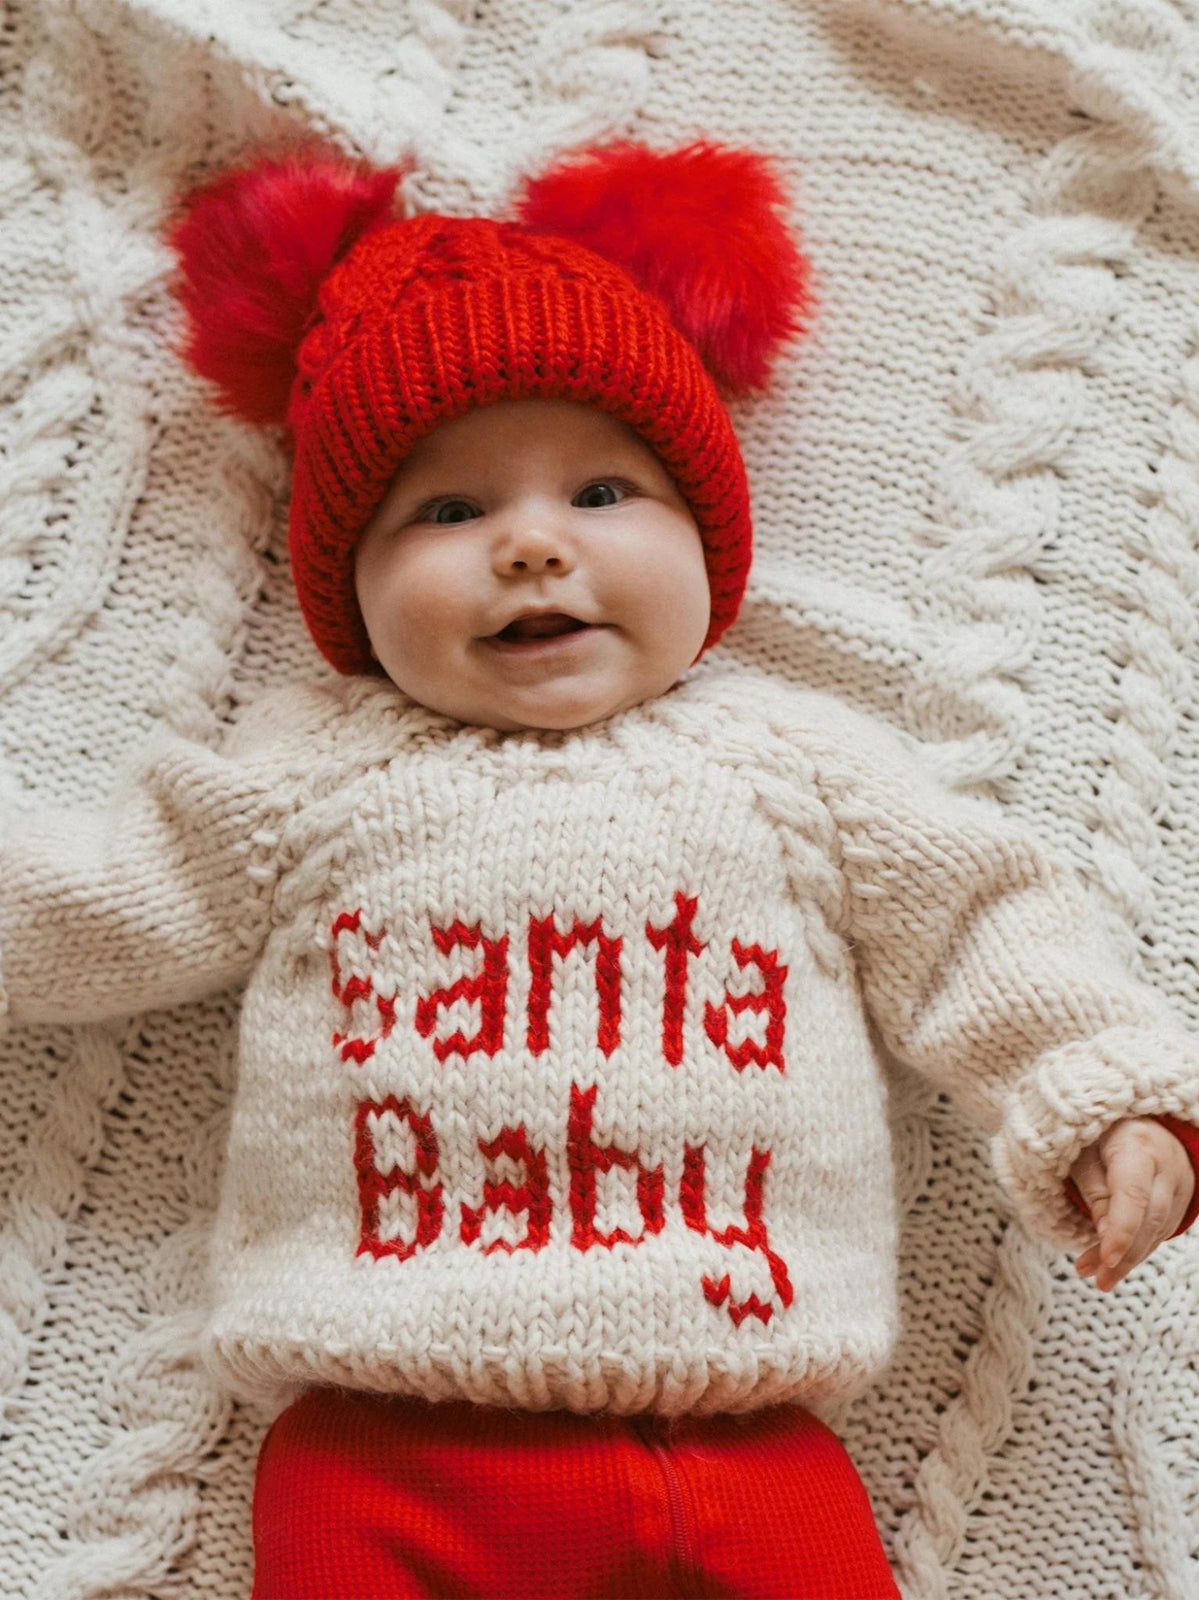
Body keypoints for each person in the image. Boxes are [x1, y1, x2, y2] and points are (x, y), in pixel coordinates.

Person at [2, 139, 1197, 1600]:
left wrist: (1101, 1098)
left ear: (709, 540)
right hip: (385, 1451)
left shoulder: (799, 767)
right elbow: (87, 899)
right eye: (444, 512)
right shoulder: (302, 778)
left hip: (748, 1444)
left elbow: (979, 924)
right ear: (350, 590)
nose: (528, 549)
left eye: (603, 492)